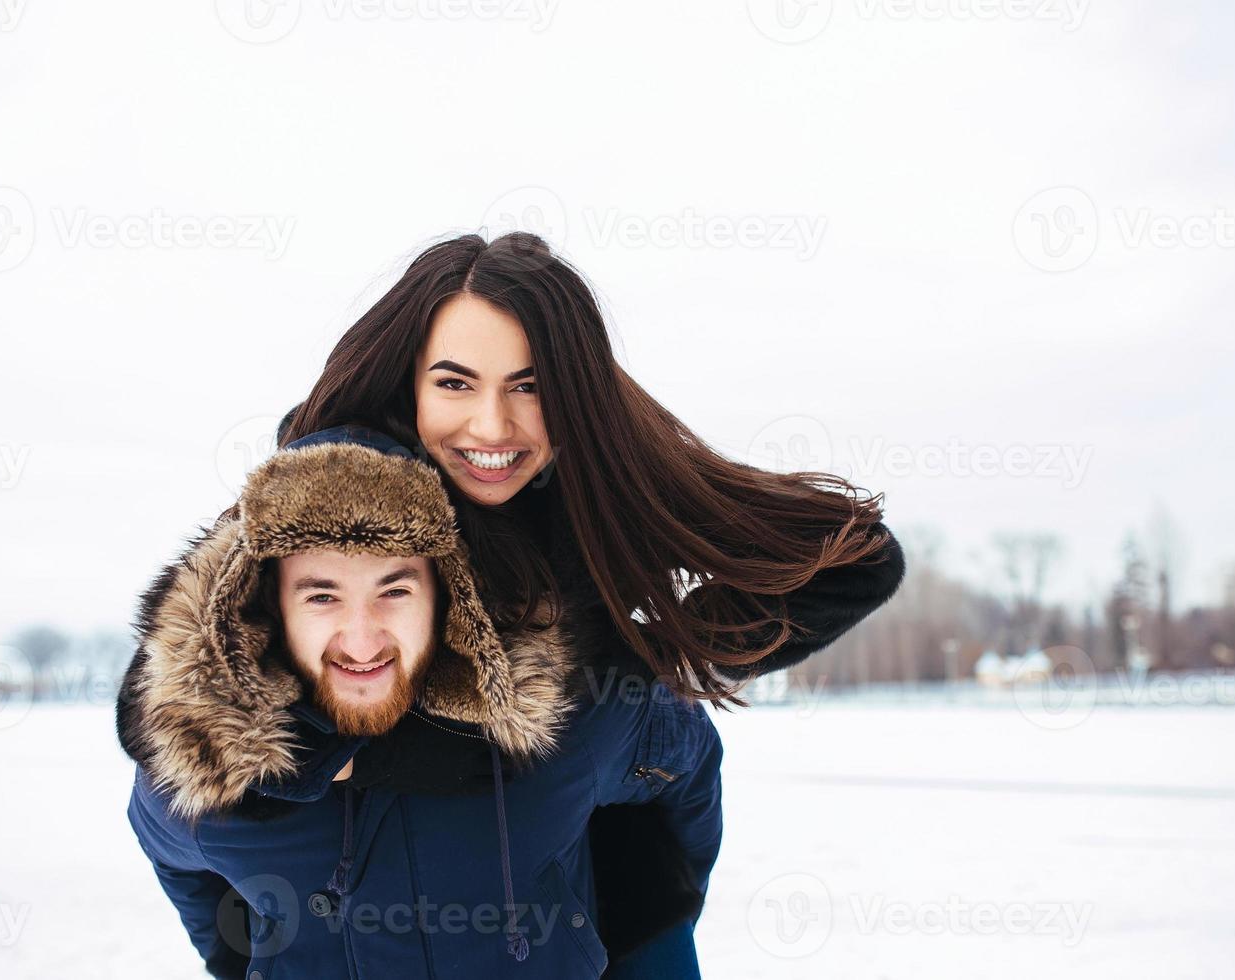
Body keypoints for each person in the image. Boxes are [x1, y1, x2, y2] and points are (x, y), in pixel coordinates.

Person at [272, 230, 908, 973]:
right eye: (454, 383)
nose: (491, 426)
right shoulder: (333, 486)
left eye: (530, 385)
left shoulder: (600, 474)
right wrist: (407, 752)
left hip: (619, 902)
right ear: (404, 379)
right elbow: (171, 707)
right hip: (391, 910)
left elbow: (860, 557)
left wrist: (633, 666)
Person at [117, 426, 723, 979]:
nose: (361, 639)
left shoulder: (563, 720)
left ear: (444, 596)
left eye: (394, 590)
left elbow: (683, 758)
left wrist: (648, 936)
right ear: (272, 607)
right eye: (322, 596)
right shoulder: (215, 780)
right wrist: (245, 959)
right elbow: (171, 853)